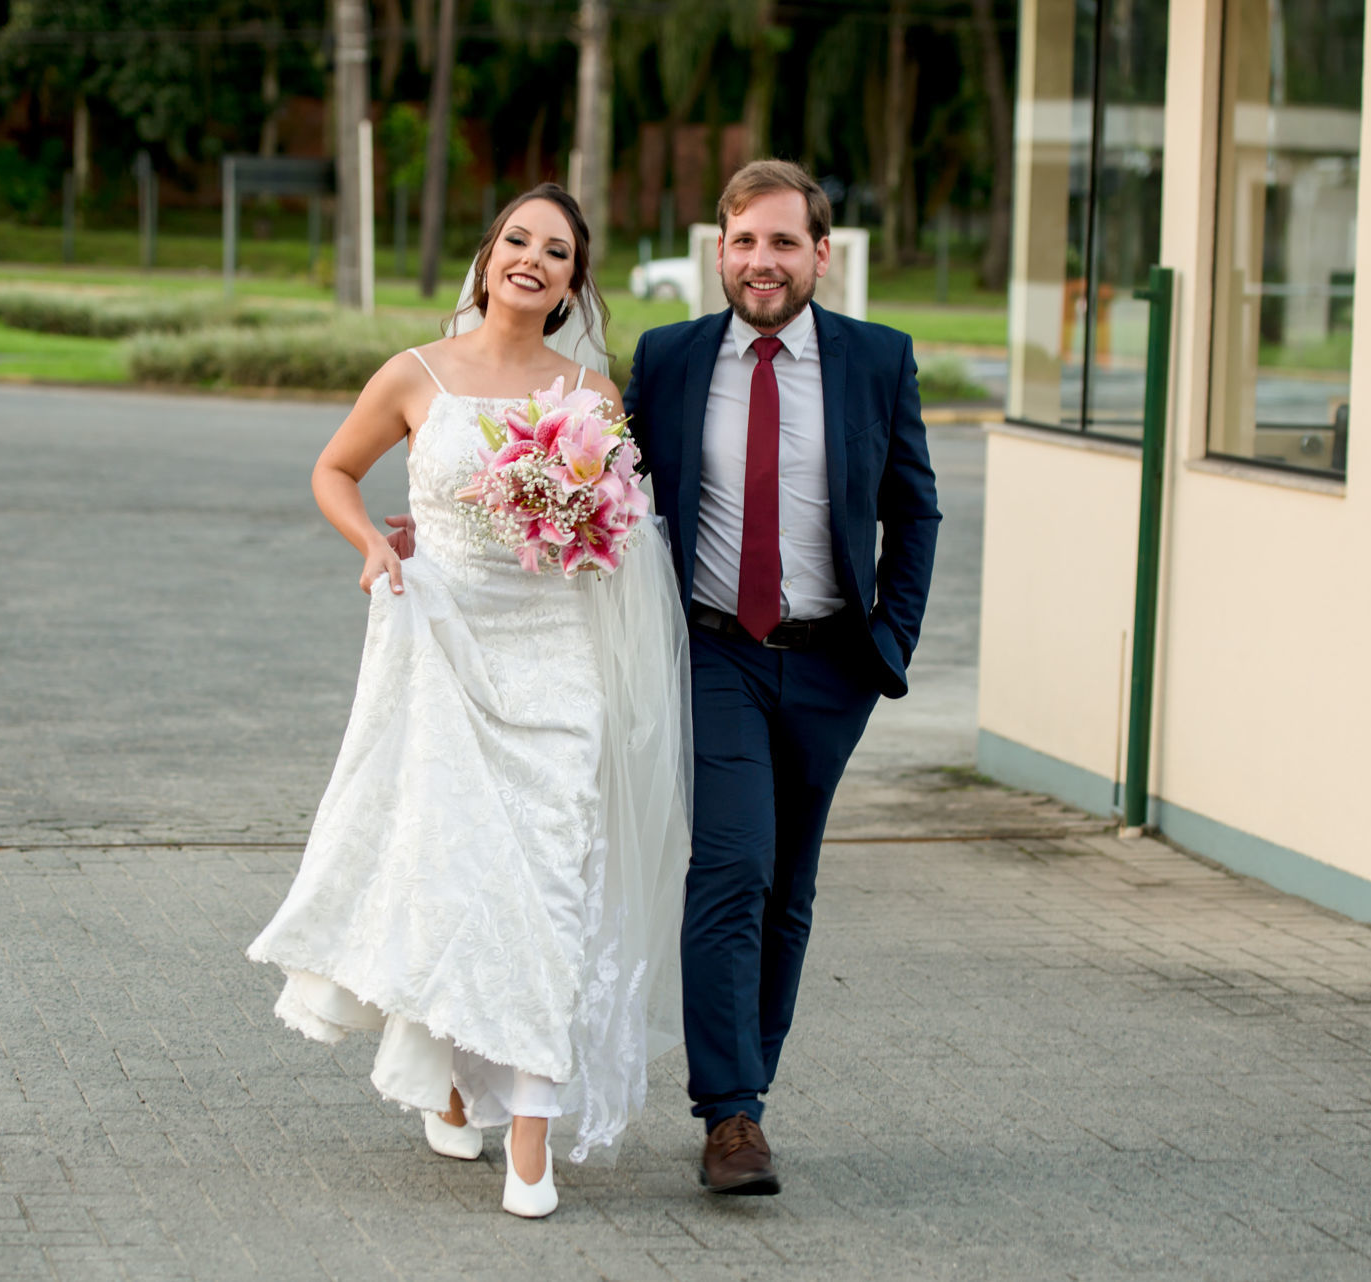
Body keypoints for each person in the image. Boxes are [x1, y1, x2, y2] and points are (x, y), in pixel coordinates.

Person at [246, 184, 691, 1220]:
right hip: (442, 644)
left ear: (576, 282)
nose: (534, 259)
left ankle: (530, 1133)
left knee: (547, 886)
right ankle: (448, 1077)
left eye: (559, 251)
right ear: (489, 255)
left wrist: (589, 520)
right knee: (453, 876)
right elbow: (334, 470)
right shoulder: (415, 373)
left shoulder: (590, 390)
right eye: (519, 240)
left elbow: (619, 528)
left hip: (555, 660)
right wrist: (371, 544)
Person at [622, 159, 941, 1195]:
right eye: (744, 241)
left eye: (783, 242)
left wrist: (889, 639)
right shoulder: (669, 359)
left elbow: (915, 506)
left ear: (821, 254)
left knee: (789, 884)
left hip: (831, 662)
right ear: (721, 250)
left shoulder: (876, 360)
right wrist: (462, 537)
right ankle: (732, 1116)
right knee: (731, 864)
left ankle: (747, 1081)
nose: (763, 261)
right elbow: (602, 495)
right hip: (714, 648)